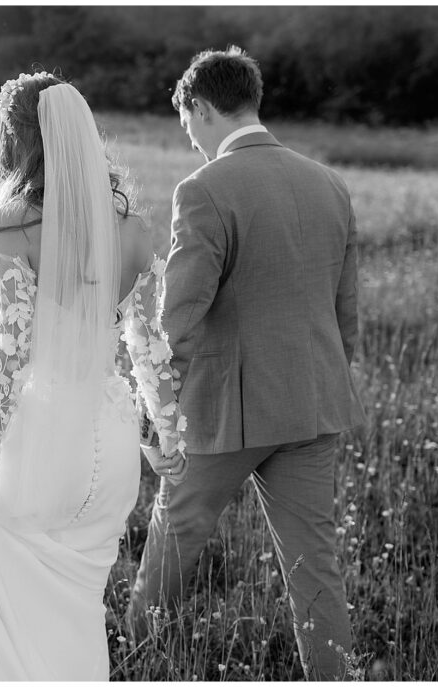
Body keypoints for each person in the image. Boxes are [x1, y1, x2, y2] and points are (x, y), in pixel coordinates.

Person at [0, 72, 188, 681]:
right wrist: (170, 440)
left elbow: (9, 366)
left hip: (44, 447)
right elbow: (149, 349)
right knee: (77, 609)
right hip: (114, 450)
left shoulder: (13, 226)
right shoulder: (135, 230)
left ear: (16, 141)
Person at [125, 47, 367, 680]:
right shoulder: (329, 182)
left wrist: (158, 409)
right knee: (315, 560)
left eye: (188, 126)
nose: (193, 144)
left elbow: (180, 314)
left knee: (175, 534)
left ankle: (137, 661)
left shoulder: (205, 188)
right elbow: (346, 314)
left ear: (201, 108)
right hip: (313, 401)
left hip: (225, 410)